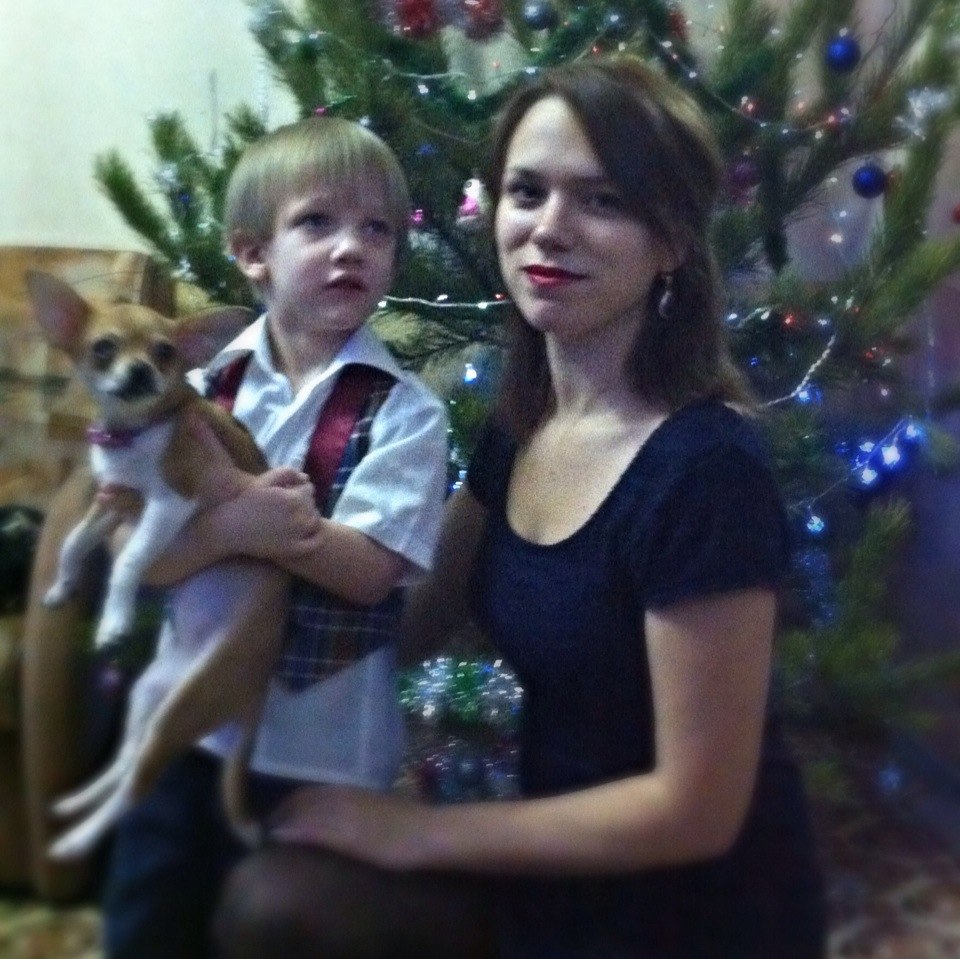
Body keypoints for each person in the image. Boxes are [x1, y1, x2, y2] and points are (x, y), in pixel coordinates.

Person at [216, 58, 827, 958]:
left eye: (603, 200)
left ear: (671, 240)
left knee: (279, 908)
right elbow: (406, 618)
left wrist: (415, 832)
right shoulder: (524, 424)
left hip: (688, 910)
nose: (549, 228)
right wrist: (225, 606)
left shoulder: (705, 472)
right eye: (527, 191)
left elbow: (696, 809)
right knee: (261, 880)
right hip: (549, 853)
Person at [98, 115, 453, 959]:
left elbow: (368, 572)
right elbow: (138, 554)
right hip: (189, 728)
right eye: (318, 222)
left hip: (321, 753)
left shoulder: (406, 413)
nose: (351, 248)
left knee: (279, 934)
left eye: (377, 230)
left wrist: (256, 529)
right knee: (148, 916)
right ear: (253, 253)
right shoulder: (196, 388)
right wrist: (238, 522)